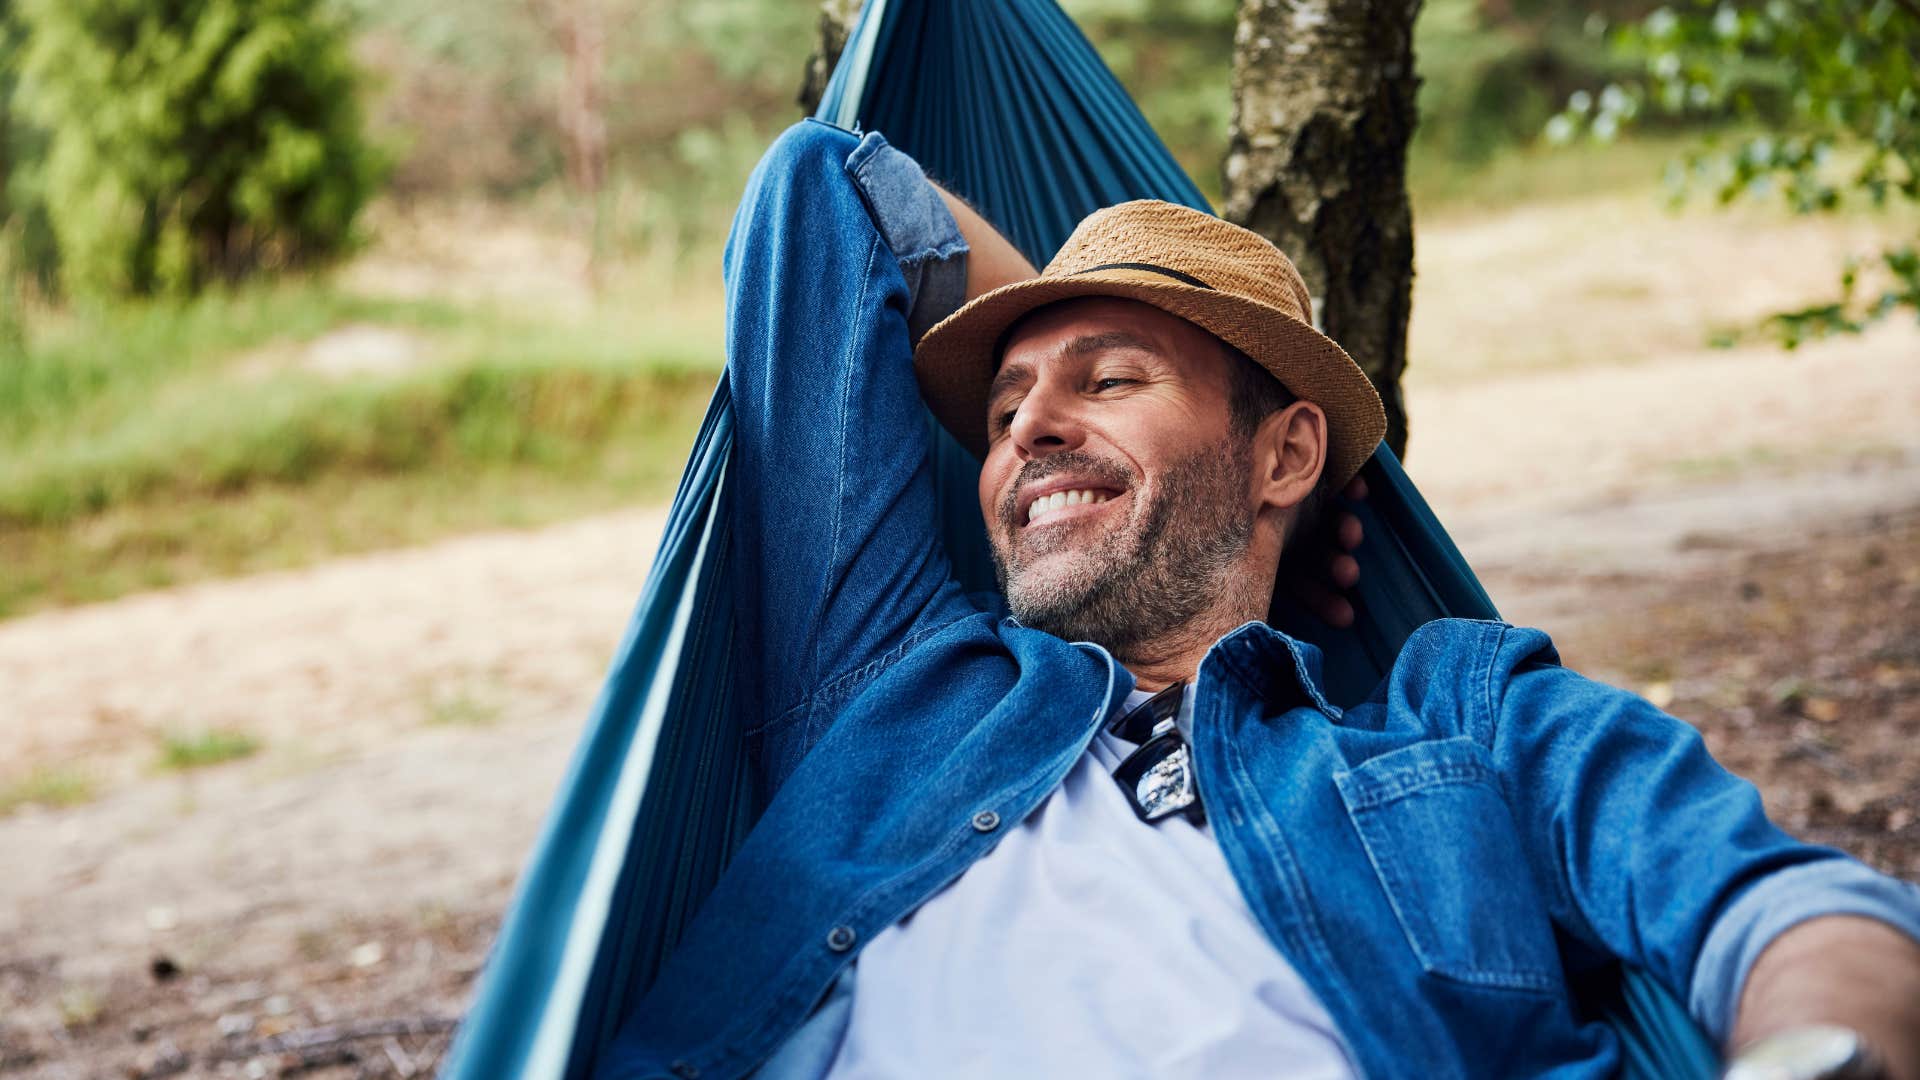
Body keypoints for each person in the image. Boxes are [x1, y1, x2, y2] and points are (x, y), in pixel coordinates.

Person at [598, 120, 1920, 1080]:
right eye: (1002, 413)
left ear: (1285, 453)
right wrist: (1103, 403)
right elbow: (829, 193)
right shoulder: (891, 683)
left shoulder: (1460, 724)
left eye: (1110, 380)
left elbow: (1787, 911)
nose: (1027, 433)